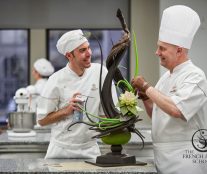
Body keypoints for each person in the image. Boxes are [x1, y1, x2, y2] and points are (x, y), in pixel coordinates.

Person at [131, 5, 207, 174]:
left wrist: (146, 87)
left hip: (186, 158)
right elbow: (156, 115)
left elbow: (176, 109)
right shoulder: (165, 78)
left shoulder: (195, 76)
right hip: (162, 156)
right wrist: (146, 98)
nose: (157, 52)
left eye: (162, 48)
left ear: (179, 50)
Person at [36, 29, 118, 159]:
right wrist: (66, 111)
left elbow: (107, 114)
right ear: (69, 55)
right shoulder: (56, 80)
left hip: (90, 149)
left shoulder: (100, 72)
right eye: (82, 50)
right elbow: (41, 120)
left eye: (88, 48)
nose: (89, 53)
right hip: (61, 150)